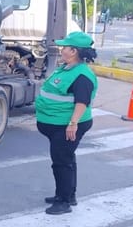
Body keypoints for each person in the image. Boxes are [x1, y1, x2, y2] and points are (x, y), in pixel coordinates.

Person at [35, 31, 98, 215]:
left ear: (74, 51)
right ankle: (68, 195)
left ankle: (63, 202)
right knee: (67, 159)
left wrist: (73, 123)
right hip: (56, 123)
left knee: (62, 162)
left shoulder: (82, 75)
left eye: (65, 47)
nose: (61, 50)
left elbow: (82, 102)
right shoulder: (67, 69)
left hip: (67, 125)